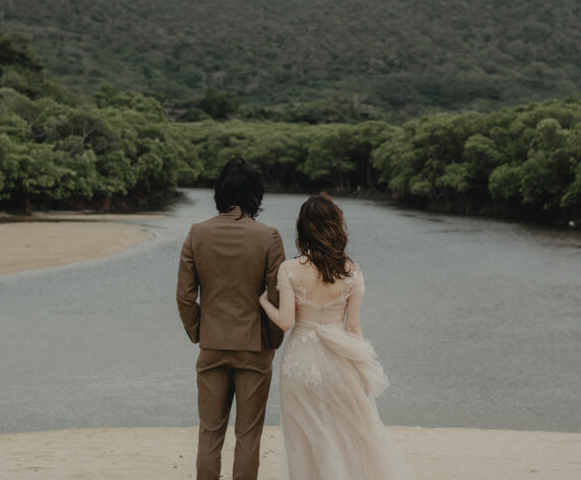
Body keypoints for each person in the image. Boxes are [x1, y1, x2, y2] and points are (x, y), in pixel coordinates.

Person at [260, 193, 414, 479]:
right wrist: (363, 370)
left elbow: (286, 323)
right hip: (339, 360)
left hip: (300, 362)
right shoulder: (352, 272)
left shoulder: (289, 269)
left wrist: (264, 302)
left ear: (302, 229)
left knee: (303, 441)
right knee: (339, 437)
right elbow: (354, 328)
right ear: (336, 227)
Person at [176, 157, 287, 480]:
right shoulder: (269, 237)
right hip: (254, 348)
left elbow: (185, 296)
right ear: (256, 195)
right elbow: (276, 294)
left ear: (220, 193)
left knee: (210, 432)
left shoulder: (197, 233)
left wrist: (200, 333)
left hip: (212, 345)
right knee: (248, 436)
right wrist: (271, 340)